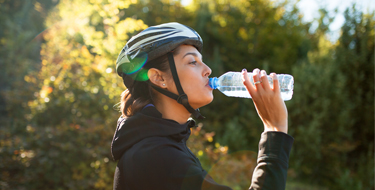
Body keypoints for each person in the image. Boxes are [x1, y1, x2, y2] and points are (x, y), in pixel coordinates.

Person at [111, 22, 293, 190]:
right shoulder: (155, 156)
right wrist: (275, 129)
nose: (208, 70)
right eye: (192, 62)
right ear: (159, 78)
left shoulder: (161, 146)